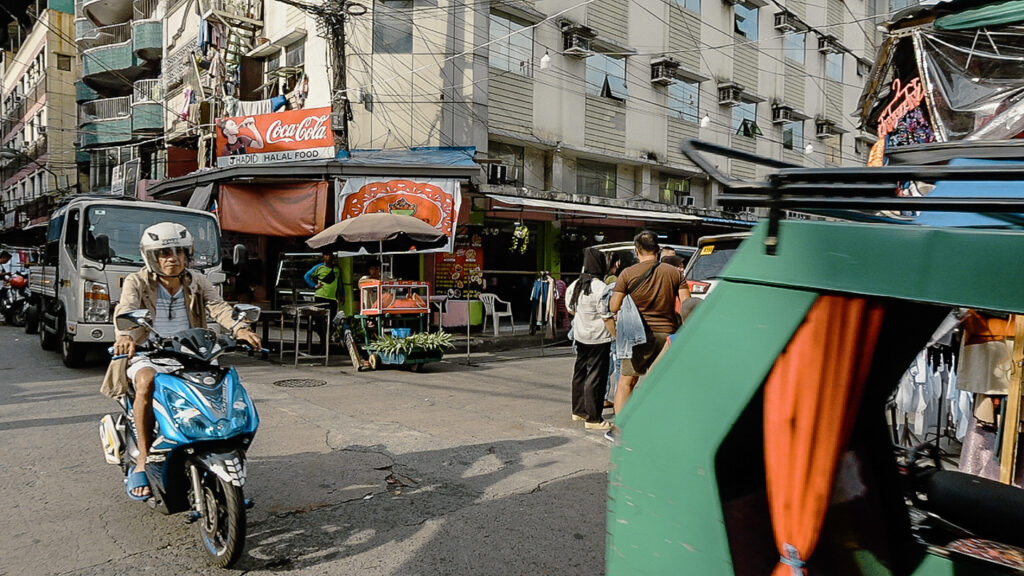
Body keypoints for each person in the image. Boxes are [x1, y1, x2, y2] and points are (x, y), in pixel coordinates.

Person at [103, 222, 261, 501]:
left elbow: (219, 307)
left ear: (188, 255)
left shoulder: (198, 280)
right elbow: (125, 309)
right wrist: (126, 335)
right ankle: (144, 456)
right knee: (146, 380)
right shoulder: (136, 281)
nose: (172, 258)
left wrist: (240, 329)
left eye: (178, 252)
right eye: (164, 253)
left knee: (221, 386)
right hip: (148, 351)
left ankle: (212, 443)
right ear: (152, 257)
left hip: (191, 351)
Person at [608, 231, 689, 440]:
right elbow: (687, 305)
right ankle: (659, 428)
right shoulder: (674, 273)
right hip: (667, 335)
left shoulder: (627, 273)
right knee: (661, 383)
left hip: (637, 336)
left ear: (637, 250)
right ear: (658, 249)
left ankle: (621, 430)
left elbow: (614, 306)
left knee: (627, 382)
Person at [567, 247, 614, 431]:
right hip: (599, 338)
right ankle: (594, 418)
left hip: (580, 336)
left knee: (580, 373)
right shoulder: (600, 287)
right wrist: (616, 335)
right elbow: (606, 316)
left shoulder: (574, 285)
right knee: (596, 377)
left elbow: (571, 310)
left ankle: (578, 411)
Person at [304, 251, 343, 327]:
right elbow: (306, 276)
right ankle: (322, 337)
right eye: (326, 255)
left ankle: (328, 337)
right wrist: (314, 285)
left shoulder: (337, 269)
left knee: (332, 320)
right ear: (323, 257)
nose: (328, 257)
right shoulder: (319, 267)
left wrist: (342, 294)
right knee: (319, 320)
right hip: (320, 297)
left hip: (332, 299)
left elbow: (340, 283)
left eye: (330, 255)